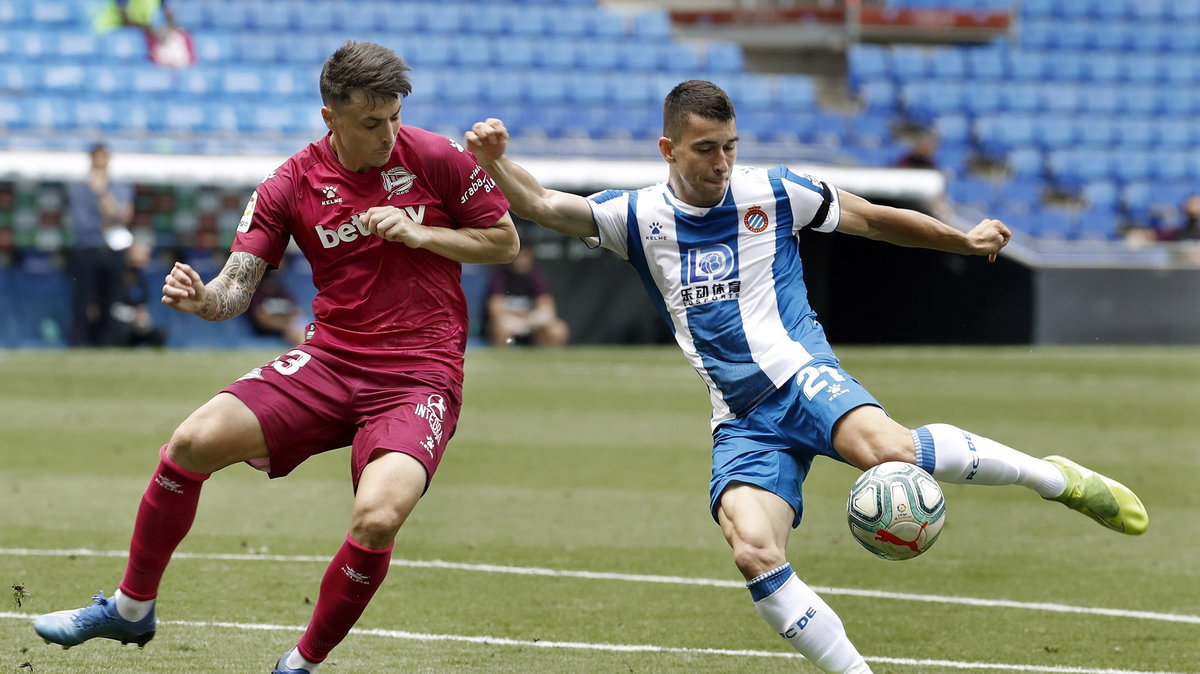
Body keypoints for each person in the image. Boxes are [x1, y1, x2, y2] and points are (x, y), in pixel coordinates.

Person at [465, 80, 1148, 674]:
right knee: (753, 550)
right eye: (705, 149)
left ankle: (1056, 479)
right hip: (739, 417)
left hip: (802, 378)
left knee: (892, 451)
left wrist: (961, 238)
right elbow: (545, 206)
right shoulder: (639, 216)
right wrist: (497, 163)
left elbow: (875, 220)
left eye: (729, 145)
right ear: (668, 149)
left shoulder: (773, 191)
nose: (722, 162)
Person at [34, 41, 518, 674]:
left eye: (395, 116)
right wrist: (202, 299)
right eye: (372, 123)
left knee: (376, 517)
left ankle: (300, 665)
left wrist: (421, 232)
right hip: (330, 360)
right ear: (330, 118)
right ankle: (130, 608)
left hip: (417, 375)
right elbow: (237, 289)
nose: (388, 133)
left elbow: (504, 241)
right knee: (190, 443)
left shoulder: (436, 157)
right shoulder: (291, 182)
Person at [66, 142, 134, 346]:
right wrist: (109, 218)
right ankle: (79, 344)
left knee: (111, 299)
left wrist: (103, 193)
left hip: (113, 250)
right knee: (83, 299)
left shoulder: (120, 187)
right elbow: (82, 225)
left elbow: (122, 216)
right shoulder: (79, 191)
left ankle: (107, 344)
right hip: (88, 250)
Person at [485, 246, 569, 347]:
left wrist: (530, 320)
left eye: (524, 256)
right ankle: (499, 360)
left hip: (532, 322)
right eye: (517, 257)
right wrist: (520, 319)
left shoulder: (536, 276)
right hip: (509, 322)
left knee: (558, 330)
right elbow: (496, 310)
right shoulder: (500, 276)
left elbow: (547, 307)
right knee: (501, 330)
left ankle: (550, 361)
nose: (520, 261)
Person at [110, 239, 167, 347]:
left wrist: (143, 318)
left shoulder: (140, 276)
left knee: (158, 335)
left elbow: (142, 303)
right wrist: (133, 316)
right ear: (131, 253)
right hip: (117, 324)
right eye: (144, 255)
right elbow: (112, 307)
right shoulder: (117, 272)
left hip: (136, 324)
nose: (147, 259)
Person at [247, 268, 311, 346]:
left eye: (273, 281)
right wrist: (285, 325)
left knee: (303, 327)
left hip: (289, 327)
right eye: (267, 282)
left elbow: (298, 312)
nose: (271, 284)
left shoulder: (282, 292)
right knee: (296, 332)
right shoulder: (258, 295)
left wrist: (289, 323)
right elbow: (261, 319)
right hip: (267, 331)